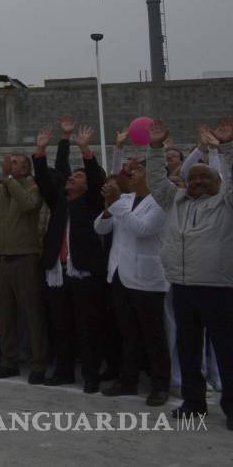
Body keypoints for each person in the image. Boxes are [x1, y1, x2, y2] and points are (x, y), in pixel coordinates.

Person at [145, 119, 233, 427]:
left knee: (226, 350)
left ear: (217, 183)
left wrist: (226, 147)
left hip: (218, 289)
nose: (196, 181)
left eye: (204, 178)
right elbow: (156, 182)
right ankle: (193, 403)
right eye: (192, 177)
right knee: (188, 349)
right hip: (182, 287)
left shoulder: (225, 204)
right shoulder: (176, 200)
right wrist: (155, 148)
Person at [34, 123, 107, 393]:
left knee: (88, 327)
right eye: (71, 176)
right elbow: (42, 179)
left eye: (77, 177)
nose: (71, 179)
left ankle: (90, 375)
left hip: (85, 274)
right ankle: (64, 370)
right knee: (60, 325)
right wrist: (40, 150)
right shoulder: (60, 203)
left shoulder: (91, 203)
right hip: (58, 272)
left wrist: (85, 150)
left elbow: (98, 179)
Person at [94, 159, 170, 405]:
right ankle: (128, 380)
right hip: (120, 274)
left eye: (138, 171)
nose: (132, 174)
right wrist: (109, 209)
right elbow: (100, 228)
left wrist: (116, 204)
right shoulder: (125, 200)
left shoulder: (160, 202)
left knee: (153, 334)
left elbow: (143, 229)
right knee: (128, 333)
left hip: (147, 277)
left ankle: (160, 384)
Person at [0, 152, 48, 383]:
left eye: (15, 162)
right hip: (0, 261)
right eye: (8, 160)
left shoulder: (32, 187)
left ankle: (38, 363)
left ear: (25, 170)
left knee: (33, 314)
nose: (8, 164)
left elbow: (27, 205)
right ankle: (9, 359)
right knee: (5, 315)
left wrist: (10, 181)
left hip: (24, 259)